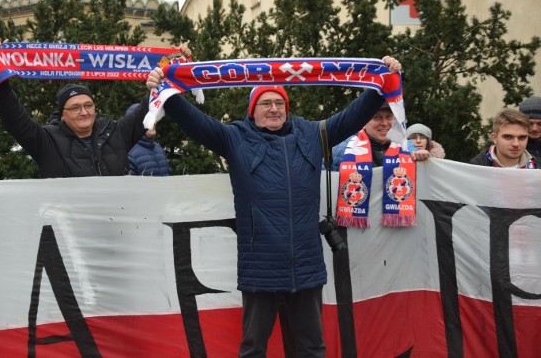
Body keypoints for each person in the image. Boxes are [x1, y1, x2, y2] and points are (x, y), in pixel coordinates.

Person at [147, 55, 402, 357]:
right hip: (260, 267)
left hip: (305, 265)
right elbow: (196, 123)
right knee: (254, 348)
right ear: (252, 110)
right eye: (266, 103)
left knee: (311, 348)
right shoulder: (234, 138)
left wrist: (380, 83)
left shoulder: (312, 134)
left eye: (279, 103)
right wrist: (167, 93)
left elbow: (353, 116)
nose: (274, 109)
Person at [0, 39, 153, 178]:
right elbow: (15, 119)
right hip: (68, 219)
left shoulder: (115, 132)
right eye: (75, 108)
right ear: (62, 114)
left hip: (116, 216)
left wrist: (160, 82)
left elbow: (146, 111)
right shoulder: (46, 141)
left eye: (88, 105)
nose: (84, 112)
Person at [470, 108, 541, 169]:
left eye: (522, 137)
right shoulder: (475, 169)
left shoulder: (537, 166)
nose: (516, 144)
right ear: (494, 138)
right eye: (508, 137)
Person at [126, 103, 172, 176]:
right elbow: (130, 186)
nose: (153, 122)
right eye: (147, 119)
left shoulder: (159, 149)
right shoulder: (129, 154)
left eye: (154, 118)